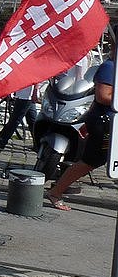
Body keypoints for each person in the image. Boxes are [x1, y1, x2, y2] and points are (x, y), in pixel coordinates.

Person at [46, 55, 114, 211]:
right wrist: (89, 123)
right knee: (91, 161)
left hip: (108, 122)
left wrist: (87, 122)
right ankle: (55, 192)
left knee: (92, 161)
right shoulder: (110, 67)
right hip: (105, 124)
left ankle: (56, 191)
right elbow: (102, 96)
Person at [0, 81, 43, 150]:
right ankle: (38, 145)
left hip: (25, 96)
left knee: (15, 119)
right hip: (25, 95)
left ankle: (1, 141)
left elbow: (36, 80)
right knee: (32, 121)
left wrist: (35, 91)